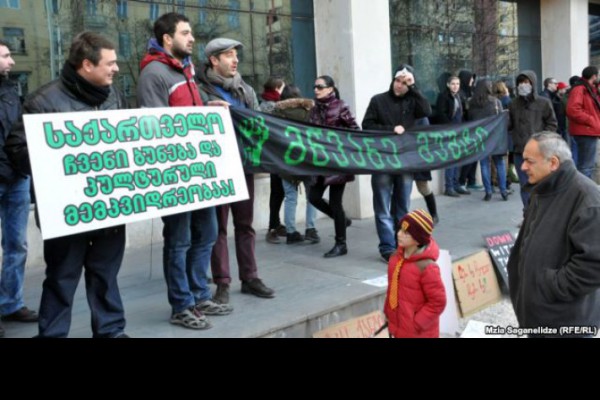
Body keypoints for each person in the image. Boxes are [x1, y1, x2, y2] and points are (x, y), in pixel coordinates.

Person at [6, 32, 128, 338]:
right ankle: (53, 334)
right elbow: (16, 150)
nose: (116, 69)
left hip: (109, 206)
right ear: (87, 64)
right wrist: (58, 167)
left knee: (106, 275)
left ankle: (111, 331)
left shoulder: (113, 97)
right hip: (66, 210)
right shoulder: (42, 102)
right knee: (62, 277)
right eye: (110, 63)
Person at [137, 13, 232, 330]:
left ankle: (199, 295)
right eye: (186, 33)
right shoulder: (153, 73)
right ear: (167, 38)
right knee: (178, 241)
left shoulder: (186, 69)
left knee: (205, 235)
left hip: (200, 173)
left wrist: (209, 105)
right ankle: (181, 304)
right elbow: (155, 125)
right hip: (175, 175)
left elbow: (191, 108)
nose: (192, 39)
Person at [198, 37, 275, 303]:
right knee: (217, 228)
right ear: (214, 60)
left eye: (236, 55)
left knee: (245, 225)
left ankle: (250, 277)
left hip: (244, 167)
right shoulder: (201, 91)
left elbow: (257, 126)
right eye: (229, 55)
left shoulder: (246, 90)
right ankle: (222, 283)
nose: (235, 60)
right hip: (217, 170)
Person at [507, 132, 600, 336]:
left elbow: (593, 265)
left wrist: (549, 286)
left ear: (553, 163)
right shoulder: (542, 189)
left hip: (567, 324)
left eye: (529, 161)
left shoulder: (588, 199)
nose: (523, 167)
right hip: (540, 319)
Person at [362, 64, 432, 262]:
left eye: (404, 82)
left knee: (402, 207)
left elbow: (426, 110)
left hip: (404, 161)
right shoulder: (378, 100)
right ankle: (387, 247)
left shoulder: (412, 102)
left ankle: (400, 244)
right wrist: (391, 129)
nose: (399, 85)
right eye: (398, 81)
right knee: (383, 206)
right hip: (383, 161)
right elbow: (367, 126)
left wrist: (414, 86)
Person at [0, 39, 38, 338]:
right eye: (5, 56)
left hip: (16, 178)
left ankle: (10, 303)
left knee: (17, 245)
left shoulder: (12, 91)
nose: (11, 62)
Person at [308, 75, 358, 258]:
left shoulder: (340, 106)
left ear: (330, 89)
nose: (316, 90)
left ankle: (341, 244)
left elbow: (354, 130)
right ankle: (342, 220)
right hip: (319, 162)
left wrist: (339, 144)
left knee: (336, 203)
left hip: (338, 163)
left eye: (320, 87)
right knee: (313, 197)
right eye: (314, 87)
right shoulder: (313, 110)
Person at [383, 209, 446, 338]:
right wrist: (388, 313)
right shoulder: (395, 258)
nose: (399, 234)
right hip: (397, 327)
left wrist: (417, 323)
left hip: (418, 333)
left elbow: (438, 302)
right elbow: (392, 290)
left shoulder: (427, 267)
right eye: (400, 229)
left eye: (405, 232)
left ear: (418, 239)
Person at [272, 84, 319, 244]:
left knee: (290, 197)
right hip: (308, 159)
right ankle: (311, 229)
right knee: (312, 197)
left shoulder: (277, 113)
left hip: (286, 160)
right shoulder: (310, 111)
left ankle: (291, 232)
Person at [508, 70, 557, 210]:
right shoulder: (513, 104)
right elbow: (509, 125)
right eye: (521, 83)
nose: (523, 85)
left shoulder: (544, 103)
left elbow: (552, 124)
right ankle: (528, 215)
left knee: (540, 183)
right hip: (519, 151)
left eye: (526, 82)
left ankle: (541, 214)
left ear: (533, 83)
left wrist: (542, 140)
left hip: (538, 151)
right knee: (525, 185)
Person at [468, 79, 508, 201]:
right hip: (495, 136)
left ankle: (488, 191)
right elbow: (501, 118)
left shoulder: (472, 103)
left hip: (480, 137)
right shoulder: (495, 102)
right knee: (499, 163)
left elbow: (470, 120)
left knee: (484, 164)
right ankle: (503, 190)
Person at [260, 77, 288, 244]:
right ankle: (272, 226)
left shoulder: (265, 103)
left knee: (278, 191)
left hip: (273, 154)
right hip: (275, 154)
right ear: (278, 88)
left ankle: (276, 223)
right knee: (277, 191)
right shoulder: (274, 106)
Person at [436, 75, 470, 197]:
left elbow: (462, 114)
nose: (455, 86)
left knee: (458, 159)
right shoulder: (443, 96)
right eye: (453, 84)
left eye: (457, 84)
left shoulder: (460, 96)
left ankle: (456, 184)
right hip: (449, 132)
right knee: (451, 160)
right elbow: (440, 114)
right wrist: (451, 128)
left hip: (459, 131)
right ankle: (449, 187)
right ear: (448, 85)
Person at [566, 66, 600, 180]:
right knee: (585, 167)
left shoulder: (588, 88)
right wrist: (591, 120)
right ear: (594, 76)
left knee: (587, 166)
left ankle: (585, 192)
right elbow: (572, 110)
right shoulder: (580, 89)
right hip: (585, 131)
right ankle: (583, 194)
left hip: (588, 131)